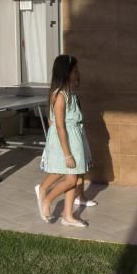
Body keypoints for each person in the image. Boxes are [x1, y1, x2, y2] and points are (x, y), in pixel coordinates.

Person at [35, 55, 90, 227]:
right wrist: (67, 154)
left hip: (75, 137)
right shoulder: (60, 96)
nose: (77, 73)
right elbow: (58, 125)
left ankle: (68, 215)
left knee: (73, 177)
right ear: (65, 73)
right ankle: (47, 199)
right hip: (67, 141)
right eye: (74, 71)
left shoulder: (70, 94)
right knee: (71, 179)